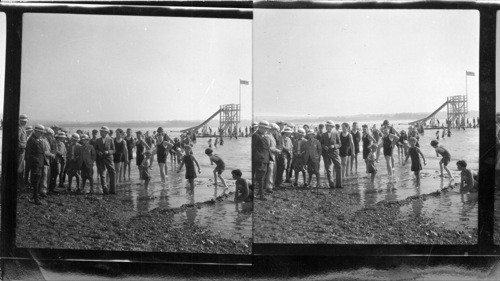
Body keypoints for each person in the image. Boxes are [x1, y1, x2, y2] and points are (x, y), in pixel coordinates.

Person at [26, 125, 47, 205]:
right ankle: (36, 198)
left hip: (39, 163)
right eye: (41, 132)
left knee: (37, 180)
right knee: (35, 181)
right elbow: (29, 154)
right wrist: (36, 162)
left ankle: (35, 196)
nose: (42, 134)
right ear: (37, 132)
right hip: (36, 164)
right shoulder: (32, 140)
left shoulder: (37, 139)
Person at [252, 121, 271, 200]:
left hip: (264, 159)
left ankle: (260, 193)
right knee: (261, 178)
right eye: (265, 128)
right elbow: (252, 148)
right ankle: (261, 195)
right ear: (260, 128)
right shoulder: (256, 135)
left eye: (267, 128)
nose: (266, 130)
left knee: (262, 177)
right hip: (259, 160)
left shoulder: (264, 135)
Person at [320, 120, 342, 188]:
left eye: (328, 126)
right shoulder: (323, 134)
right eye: (326, 126)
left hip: (335, 153)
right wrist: (324, 146)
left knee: (338, 167)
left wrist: (334, 146)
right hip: (326, 154)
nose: (326, 127)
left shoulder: (336, 133)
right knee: (328, 169)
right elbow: (321, 143)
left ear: (332, 126)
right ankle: (331, 184)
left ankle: (339, 184)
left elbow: (340, 144)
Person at [94, 126, 116, 194]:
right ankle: (105, 189)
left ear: (106, 132)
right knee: (102, 174)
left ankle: (112, 190)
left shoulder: (111, 139)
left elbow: (114, 150)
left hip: (109, 159)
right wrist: (98, 152)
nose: (100, 132)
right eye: (100, 131)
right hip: (100, 159)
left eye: (102, 131)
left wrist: (108, 152)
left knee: (112, 173)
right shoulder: (97, 140)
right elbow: (95, 149)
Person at [18, 114, 28, 190]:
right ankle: (19, 185)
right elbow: (17, 140)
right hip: (20, 150)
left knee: (21, 167)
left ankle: (20, 184)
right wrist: (21, 147)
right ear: (20, 120)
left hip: (22, 149)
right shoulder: (19, 129)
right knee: (19, 168)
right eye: (23, 121)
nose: (24, 123)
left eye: (25, 121)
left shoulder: (22, 128)